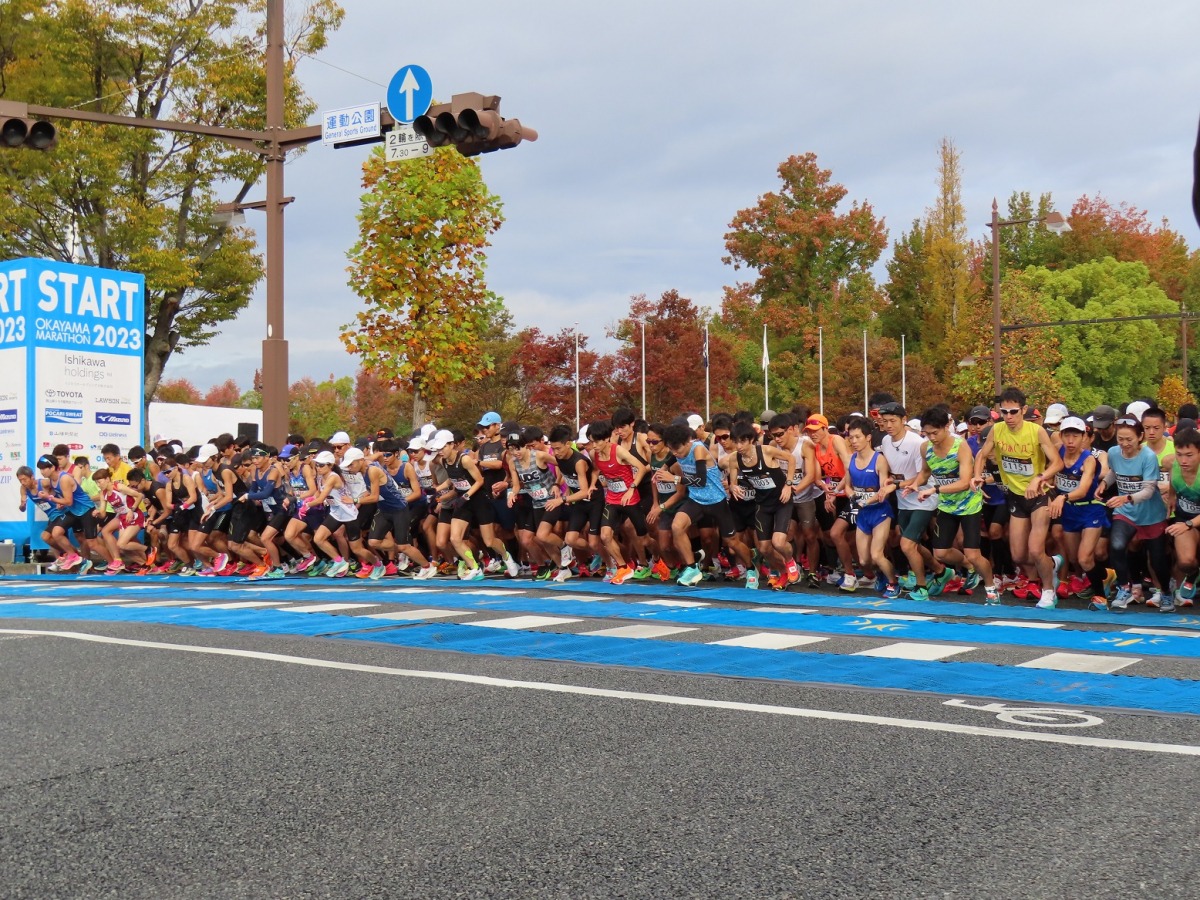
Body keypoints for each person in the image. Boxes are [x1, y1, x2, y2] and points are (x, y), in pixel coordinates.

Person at [970, 387, 1063, 608]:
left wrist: (1038, 478)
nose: (1009, 416)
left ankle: (1048, 591)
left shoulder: (1036, 431)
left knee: (1035, 550)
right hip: (1015, 497)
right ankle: (1052, 563)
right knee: (1019, 556)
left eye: (1013, 411)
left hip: (1039, 495)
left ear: (1023, 410)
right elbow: (982, 455)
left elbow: (1057, 463)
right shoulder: (997, 430)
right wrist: (976, 476)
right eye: (1004, 412)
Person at [910, 407, 997, 603]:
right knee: (941, 553)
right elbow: (926, 472)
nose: (932, 437)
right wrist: (915, 484)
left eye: (935, 433)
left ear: (946, 427)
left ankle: (991, 587)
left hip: (969, 505)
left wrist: (935, 489)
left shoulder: (960, 447)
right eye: (927, 433)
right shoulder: (925, 448)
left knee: (973, 554)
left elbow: (965, 482)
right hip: (947, 505)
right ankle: (969, 567)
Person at [658, 422, 752, 587]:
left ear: (687, 443)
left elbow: (700, 481)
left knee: (732, 542)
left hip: (716, 500)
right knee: (677, 527)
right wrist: (663, 468)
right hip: (696, 500)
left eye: (677, 449)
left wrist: (673, 478)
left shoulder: (698, 450)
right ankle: (692, 568)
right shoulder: (677, 451)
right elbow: (673, 456)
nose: (675, 453)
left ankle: (751, 568)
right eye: (671, 449)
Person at [1099, 416, 1172, 611]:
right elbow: (1114, 471)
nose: (1124, 444)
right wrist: (1104, 483)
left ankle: (1166, 592)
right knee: (1116, 545)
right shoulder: (1114, 452)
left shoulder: (1148, 457)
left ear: (1140, 437)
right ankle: (1124, 588)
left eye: (1129, 439)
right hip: (1126, 512)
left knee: (1157, 560)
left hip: (1151, 514)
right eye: (1120, 439)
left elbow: (1149, 491)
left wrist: (1126, 497)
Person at [879, 401, 951, 598]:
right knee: (913, 545)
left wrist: (896, 485)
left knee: (907, 545)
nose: (888, 425)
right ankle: (941, 571)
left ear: (904, 419)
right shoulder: (886, 441)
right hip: (904, 500)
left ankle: (921, 587)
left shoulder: (916, 442)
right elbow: (896, 470)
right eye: (884, 421)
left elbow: (923, 476)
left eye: (893, 421)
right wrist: (890, 479)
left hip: (923, 498)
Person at [1050, 417, 1110, 610]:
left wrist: (1062, 497)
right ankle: (1106, 575)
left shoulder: (1089, 460)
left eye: (1075, 436)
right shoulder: (1057, 453)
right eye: (1067, 435)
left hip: (1090, 508)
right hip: (1070, 510)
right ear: (1061, 436)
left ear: (1084, 437)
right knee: (1075, 559)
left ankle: (1100, 597)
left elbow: (1083, 490)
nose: (1071, 441)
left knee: (1084, 557)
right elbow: (1048, 473)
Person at [840, 417, 898, 596]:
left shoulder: (879, 460)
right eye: (851, 437)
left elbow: (883, 491)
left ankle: (893, 583)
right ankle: (881, 573)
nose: (854, 441)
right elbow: (847, 485)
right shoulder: (851, 460)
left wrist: (866, 501)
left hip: (880, 512)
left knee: (876, 555)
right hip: (863, 514)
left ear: (868, 437)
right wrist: (852, 496)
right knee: (864, 561)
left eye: (857, 437)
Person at [1165, 426, 1200, 608]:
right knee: (1185, 561)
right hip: (1185, 519)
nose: (1183, 460)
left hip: (1190, 521)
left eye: (1189, 455)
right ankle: (1194, 573)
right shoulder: (1172, 462)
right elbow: (1172, 475)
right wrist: (1171, 495)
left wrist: (1188, 524)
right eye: (1179, 454)